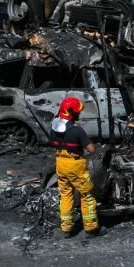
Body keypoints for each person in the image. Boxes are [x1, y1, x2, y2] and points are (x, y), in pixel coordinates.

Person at [49, 96, 103, 238]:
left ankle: (66, 229)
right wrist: (93, 144)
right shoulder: (77, 131)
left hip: (60, 163)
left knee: (66, 195)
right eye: (78, 112)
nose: (79, 114)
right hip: (75, 165)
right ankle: (91, 229)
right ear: (72, 113)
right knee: (87, 196)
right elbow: (91, 149)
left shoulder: (53, 127)